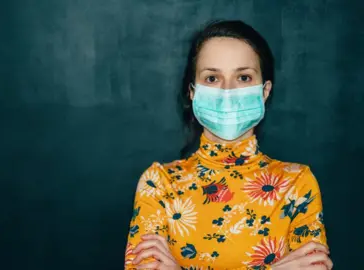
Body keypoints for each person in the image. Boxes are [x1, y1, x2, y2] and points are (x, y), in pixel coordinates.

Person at [124, 20, 333, 270]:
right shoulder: (158, 184)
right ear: (192, 91)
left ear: (265, 91)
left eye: (243, 77)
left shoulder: (298, 185)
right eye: (212, 78)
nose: (227, 92)